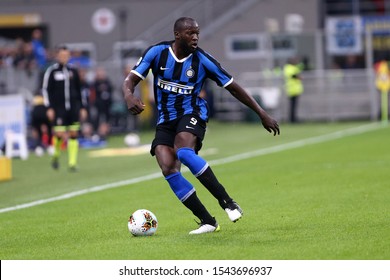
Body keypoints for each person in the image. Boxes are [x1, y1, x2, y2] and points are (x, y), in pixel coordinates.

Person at [123, 17, 280, 235]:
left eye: (197, 32)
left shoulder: (203, 60)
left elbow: (234, 87)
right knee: (168, 167)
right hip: (165, 119)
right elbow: (130, 79)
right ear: (178, 35)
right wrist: (129, 95)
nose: (195, 37)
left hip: (192, 113)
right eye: (190, 33)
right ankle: (208, 221)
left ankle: (228, 202)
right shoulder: (156, 53)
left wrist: (261, 113)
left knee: (184, 153)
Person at [42, 45, 88, 171]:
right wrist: (49, 107)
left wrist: (83, 107)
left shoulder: (73, 71)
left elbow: (80, 90)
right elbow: (46, 90)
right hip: (58, 108)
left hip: (73, 108)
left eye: (66, 55)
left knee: (73, 133)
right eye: (62, 55)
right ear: (57, 56)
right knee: (59, 133)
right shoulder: (52, 71)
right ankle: (56, 155)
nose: (64, 58)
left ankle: (72, 163)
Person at [283, 57, 304, 123]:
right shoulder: (288, 67)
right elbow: (293, 76)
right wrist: (299, 77)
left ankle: (293, 118)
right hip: (292, 90)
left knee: (294, 106)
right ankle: (292, 119)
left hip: (294, 90)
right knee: (292, 106)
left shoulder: (293, 67)